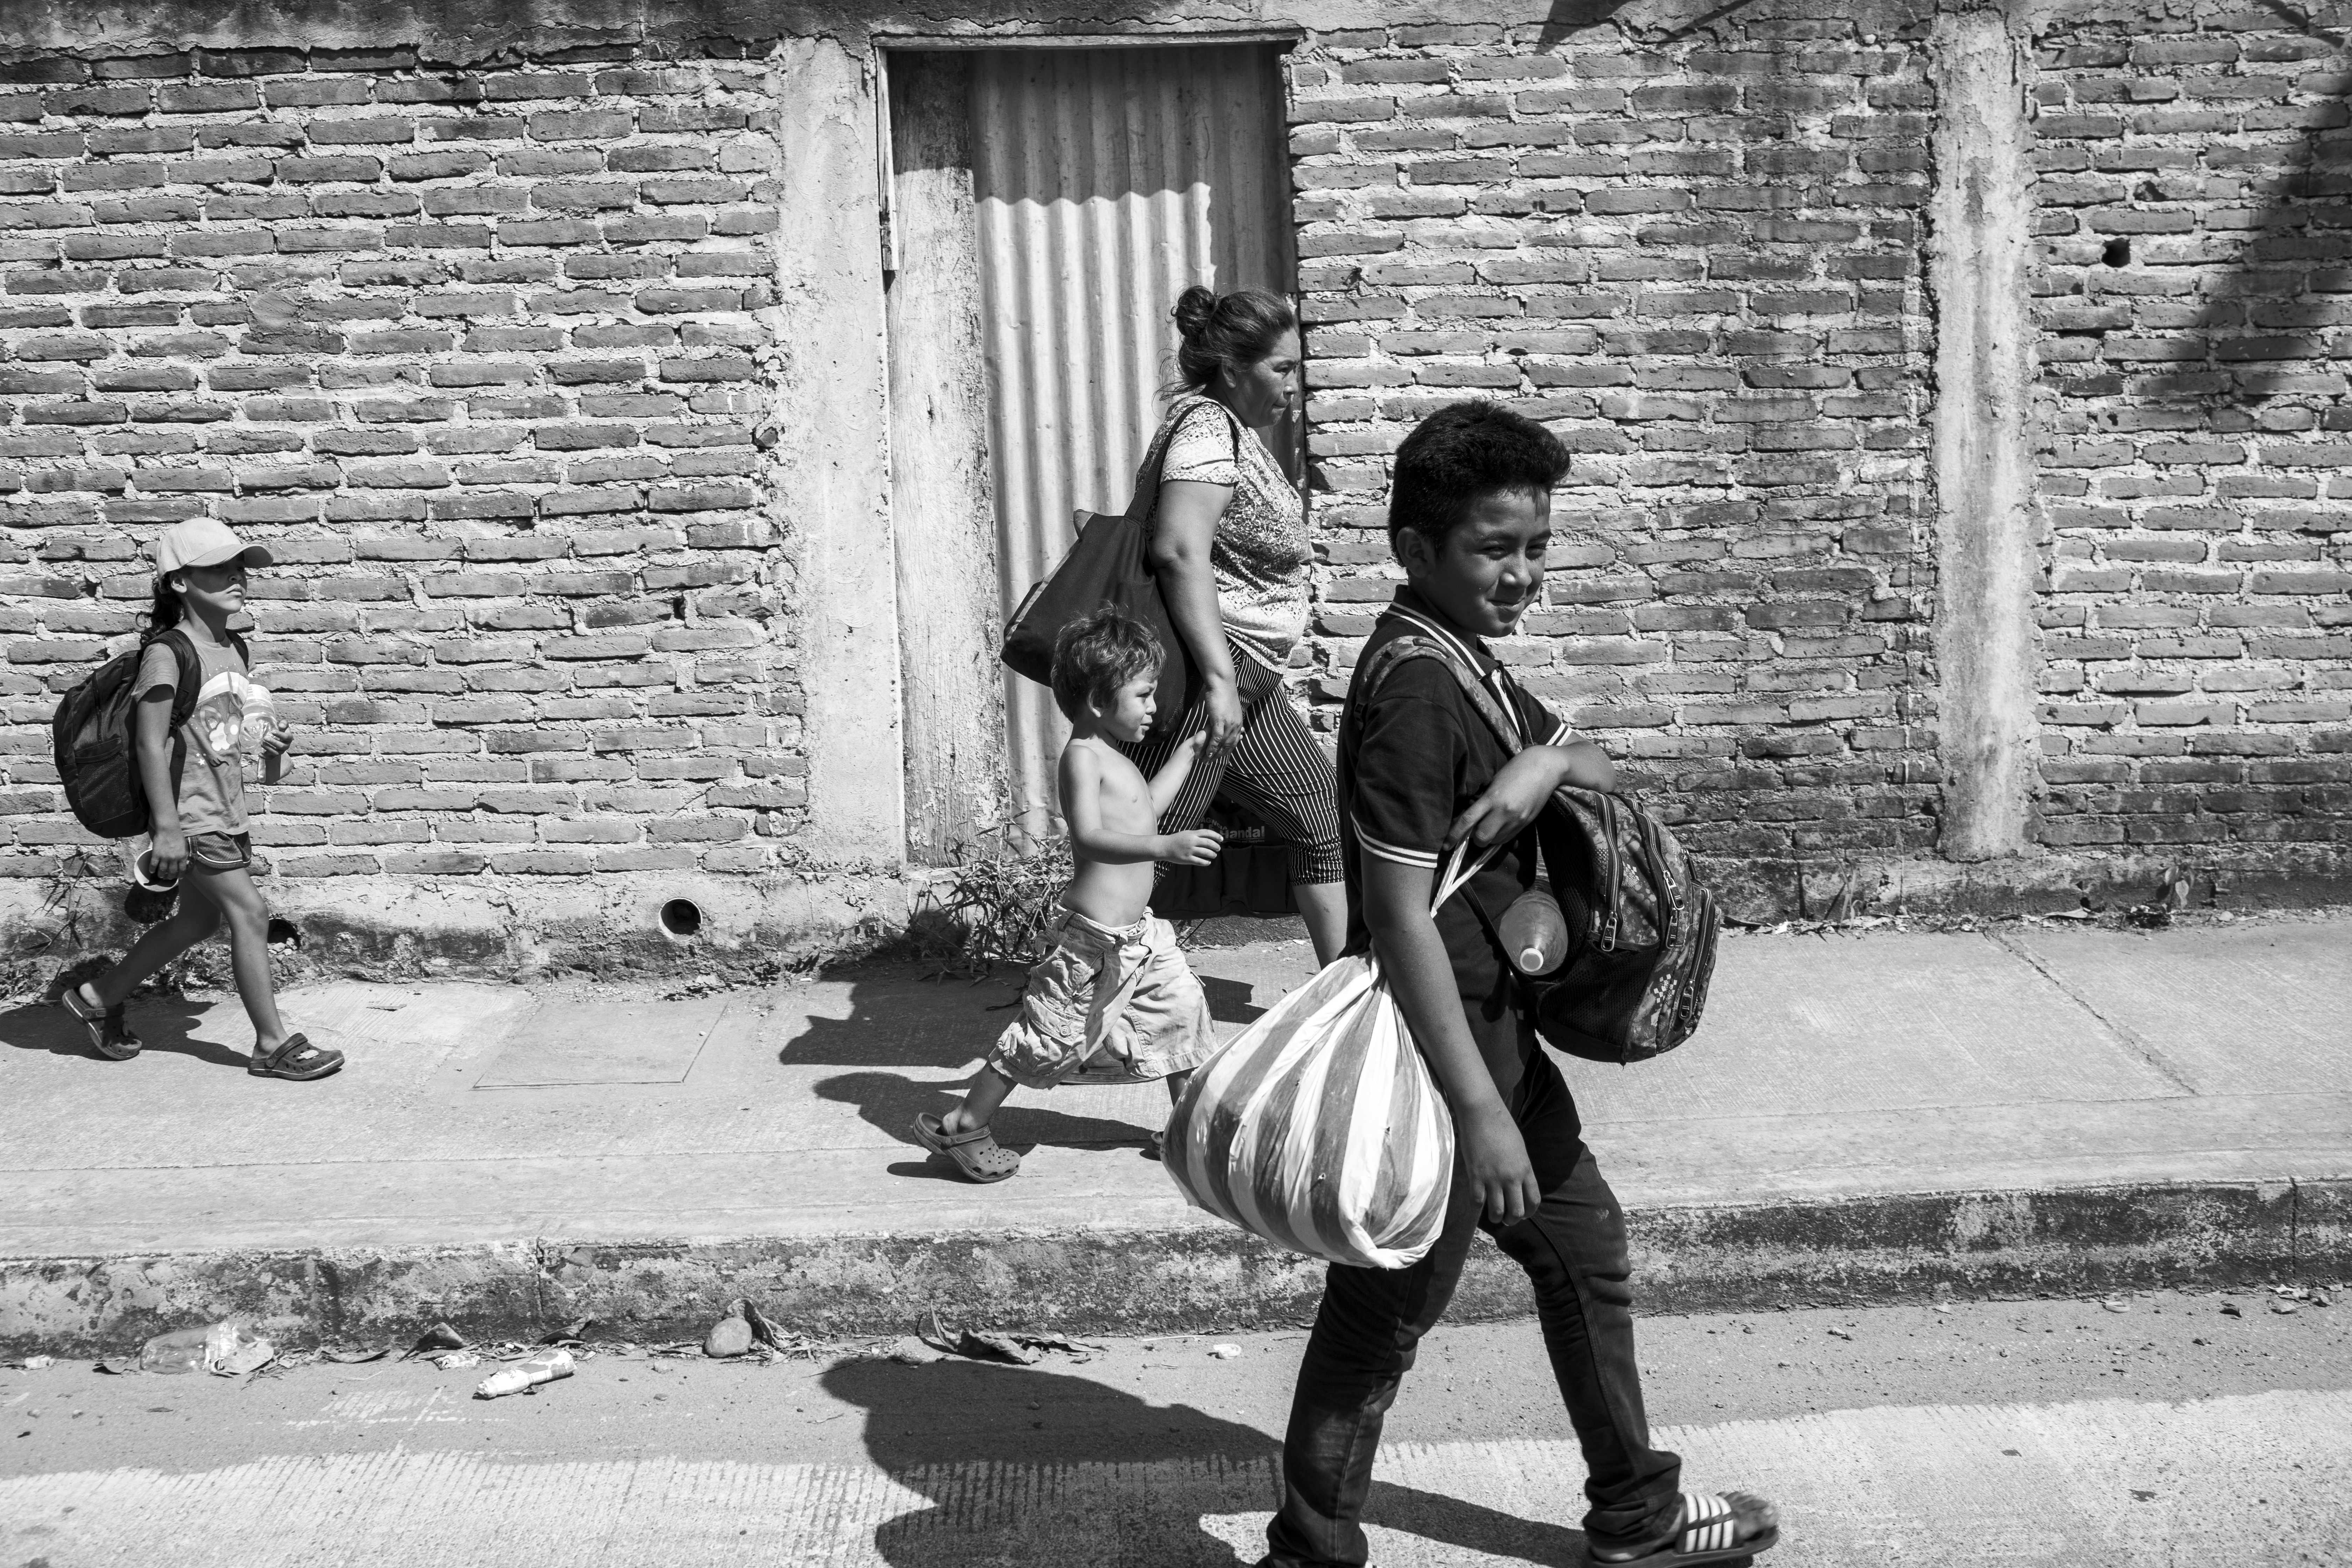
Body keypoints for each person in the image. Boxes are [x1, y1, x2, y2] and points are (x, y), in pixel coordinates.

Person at [1259, 404, 1778, 1568]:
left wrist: (1543, 766)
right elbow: (1395, 918)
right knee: (1387, 1308)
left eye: (1537, 547)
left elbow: (1591, 761)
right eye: (1497, 550)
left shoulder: (1464, 662)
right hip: (1451, 1060)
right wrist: (1480, 1117)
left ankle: (1638, 1513)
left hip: (1498, 1037)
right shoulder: (1412, 689)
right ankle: (1308, 1544)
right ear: (1415, 549)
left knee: (1583, 1249)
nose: (1524, 575)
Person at [915, 611, 1222, 1182]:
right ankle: (962, 1123)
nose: (1154, 706)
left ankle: (1184, 1130)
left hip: (1141, 938)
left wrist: (1187, 755)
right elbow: (1088, 836)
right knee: (1048, 1036)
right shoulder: (1082, 756)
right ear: (1101, 701)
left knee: (1182, 1017)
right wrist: (1167, 847)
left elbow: (1143, 811)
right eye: (1145, 694)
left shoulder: (1117, 755)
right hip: (1094, 943)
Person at [60, 518, 344, 1082]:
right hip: (192, 816)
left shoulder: (234, 648)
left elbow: (228, 733)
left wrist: (270, 747)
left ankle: (98, 996)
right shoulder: (169, 654)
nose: (237, 577)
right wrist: (167, 829)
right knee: (251, 913)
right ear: (180, 582)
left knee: (197, 921)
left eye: (240, 567)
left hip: (224, 808)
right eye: (218, 568)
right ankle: (271, 1044)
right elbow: (148, 741)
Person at [1126, 284, 1347, 964]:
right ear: (1231, 367)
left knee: (1319, 814)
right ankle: (1066, 1009)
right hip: (1212, 671)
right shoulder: (1206, 428)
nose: (1293, 385)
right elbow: (1178, 547)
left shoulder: (1232, 432)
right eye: (1281, 369)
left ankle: (1348, 993)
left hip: (1245, 672)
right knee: (1144, 846)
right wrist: (1220, 681)